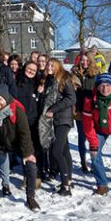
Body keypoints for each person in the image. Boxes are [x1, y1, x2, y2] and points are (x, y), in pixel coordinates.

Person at [0, 85, 40, 210]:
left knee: (31, 165)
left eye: (0, 99)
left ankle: (31, 197)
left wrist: (27, 154)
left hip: (17, 144)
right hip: (0, 145)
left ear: (6, 98)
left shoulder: (17, 111)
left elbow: (25, 134)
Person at [39, 58, 77, 195]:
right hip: (54, 120)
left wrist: (53, 110)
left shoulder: (64, 78)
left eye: (52, 65)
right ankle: (69, 179)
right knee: (65, 150)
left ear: (58, 66)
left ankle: (65, 185)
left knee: (56, 151)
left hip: (63, 119)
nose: (49, 67)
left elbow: (71, 98)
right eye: (47, 65)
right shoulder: (49, 80)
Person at [16, 61, 45, 186]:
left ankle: (37, 175)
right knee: (24, 149)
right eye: (29, 68)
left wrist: (40, 92)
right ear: (24, 68)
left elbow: (42, 104)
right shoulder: (18, 82)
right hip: (21, 121)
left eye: (34, 70)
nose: (31, 71)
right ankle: (27, 176)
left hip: (35, 121)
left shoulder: (38, 84)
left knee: (36, 149)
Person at [71, 51, 100, 172]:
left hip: (93, 109)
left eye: (87, 60)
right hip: (79, 109)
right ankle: (83, 161)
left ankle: (95, 162)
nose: (85, 62)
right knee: (82, 137)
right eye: (82, 60)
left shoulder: (96, 74)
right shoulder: (74, 74)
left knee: (93, 137)